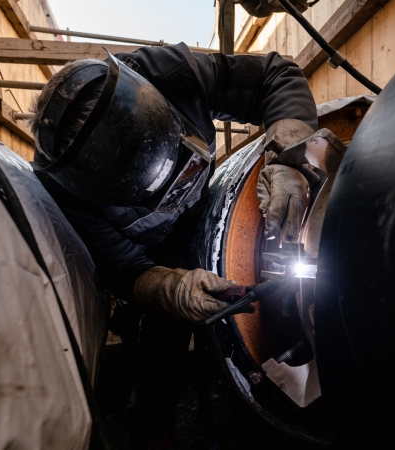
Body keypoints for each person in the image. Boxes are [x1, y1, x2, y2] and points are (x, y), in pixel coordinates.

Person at [28, 42, 318, 449]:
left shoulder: (170, 73)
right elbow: (124, 269)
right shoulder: (64, 192)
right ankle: (150, 426)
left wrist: (289, 157)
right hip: (156, 246)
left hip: (206, 204)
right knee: (164, 329)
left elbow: (275, 76)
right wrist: (171, 289)